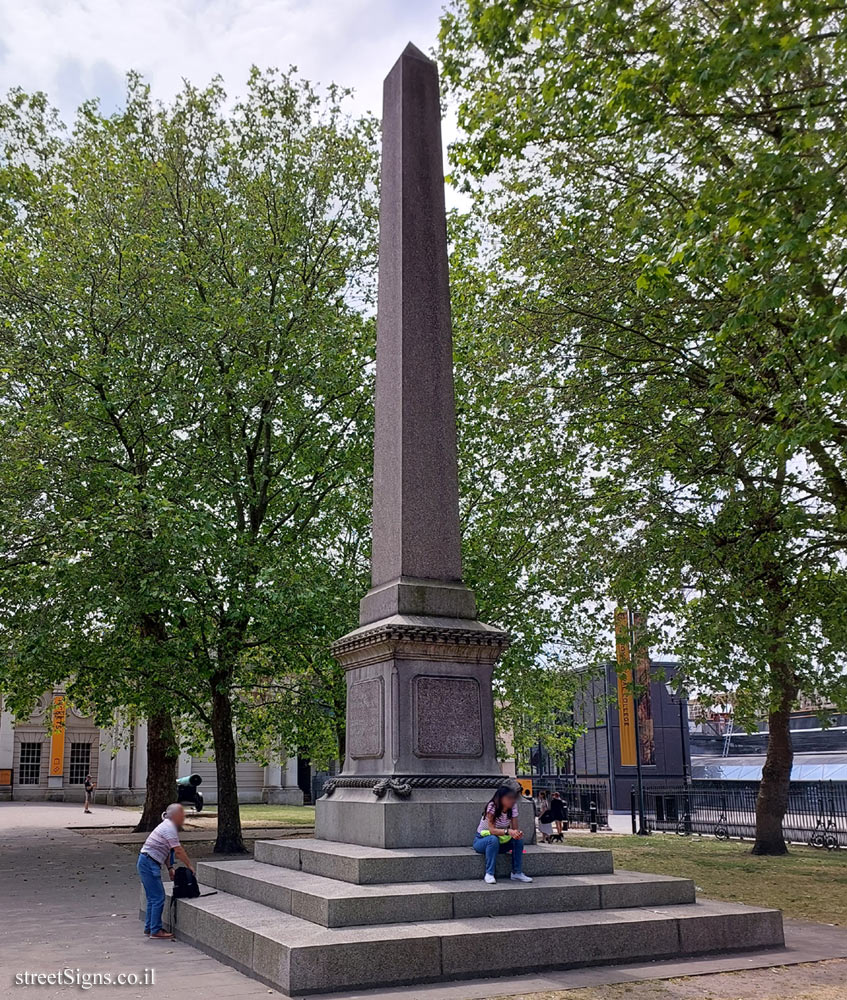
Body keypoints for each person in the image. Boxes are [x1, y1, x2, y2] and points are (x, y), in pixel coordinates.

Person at [137, 803, 195, 940]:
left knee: (152, 897)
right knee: (158, 897)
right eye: (182, 815)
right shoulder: (169, 828)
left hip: (146, 862)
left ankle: (150, 927)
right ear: (175, 816)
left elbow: (168, 851)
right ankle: (155, 930)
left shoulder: (166, 826)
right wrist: (189, 865)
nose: (184, 818)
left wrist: (170, 868)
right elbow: (178, 850)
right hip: (149, 863)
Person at [473, 784, 533, 884]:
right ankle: (489, 873)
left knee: (518, 840)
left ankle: (516, 872)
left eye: (513, 798)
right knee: (493, 839)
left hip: (501, 841)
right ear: (501, 798)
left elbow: (514, 828)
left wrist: (516, 833)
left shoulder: (513, 807)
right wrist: (507, 831)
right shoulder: (492, 806)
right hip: (482, 840)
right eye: (509, 798)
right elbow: (492, 830)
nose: (512, 801)